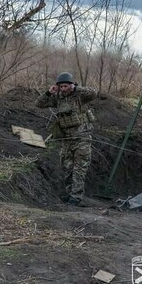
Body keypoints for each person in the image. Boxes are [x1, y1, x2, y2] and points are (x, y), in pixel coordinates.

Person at [35, 72, 97, 205]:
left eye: (66, 86)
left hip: (82, 138)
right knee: (67, 167)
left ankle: (76, 197)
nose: (63, 89)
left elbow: (93, 93)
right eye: (61, 86)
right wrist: (48, 93)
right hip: (66, 140)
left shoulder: (80, 96)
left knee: (80, 168)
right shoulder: (58, 98)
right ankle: (69, 194)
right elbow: (39, 104)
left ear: (71, 85)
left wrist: (77, 88)